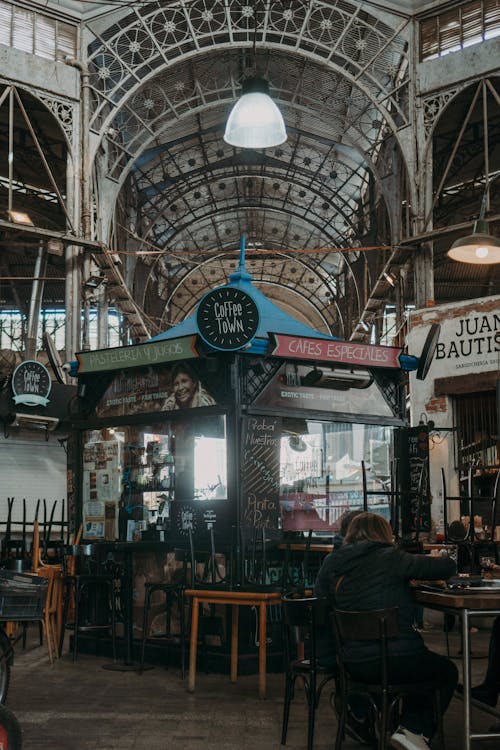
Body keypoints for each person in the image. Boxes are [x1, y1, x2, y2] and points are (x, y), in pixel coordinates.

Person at [318, 512, 458, 750]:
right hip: (395, 660)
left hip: (352, 665)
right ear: (384, 534)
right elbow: (442, 568)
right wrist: (449, 558)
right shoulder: (391, 558)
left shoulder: (333, 562)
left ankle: (371, 717)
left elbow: (323, 603)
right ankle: (413, 730)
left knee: (419, 665)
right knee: (445, 671)